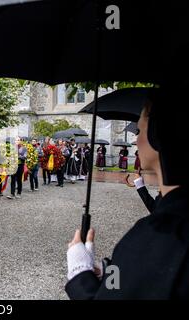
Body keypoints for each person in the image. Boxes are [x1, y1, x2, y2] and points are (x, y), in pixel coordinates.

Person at [65, 89, 189, 299]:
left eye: (139, 132)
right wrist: (107, 272)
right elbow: (143, 278)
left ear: (156, 135)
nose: (136, 141)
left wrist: (79, 273)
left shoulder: (158, 233)